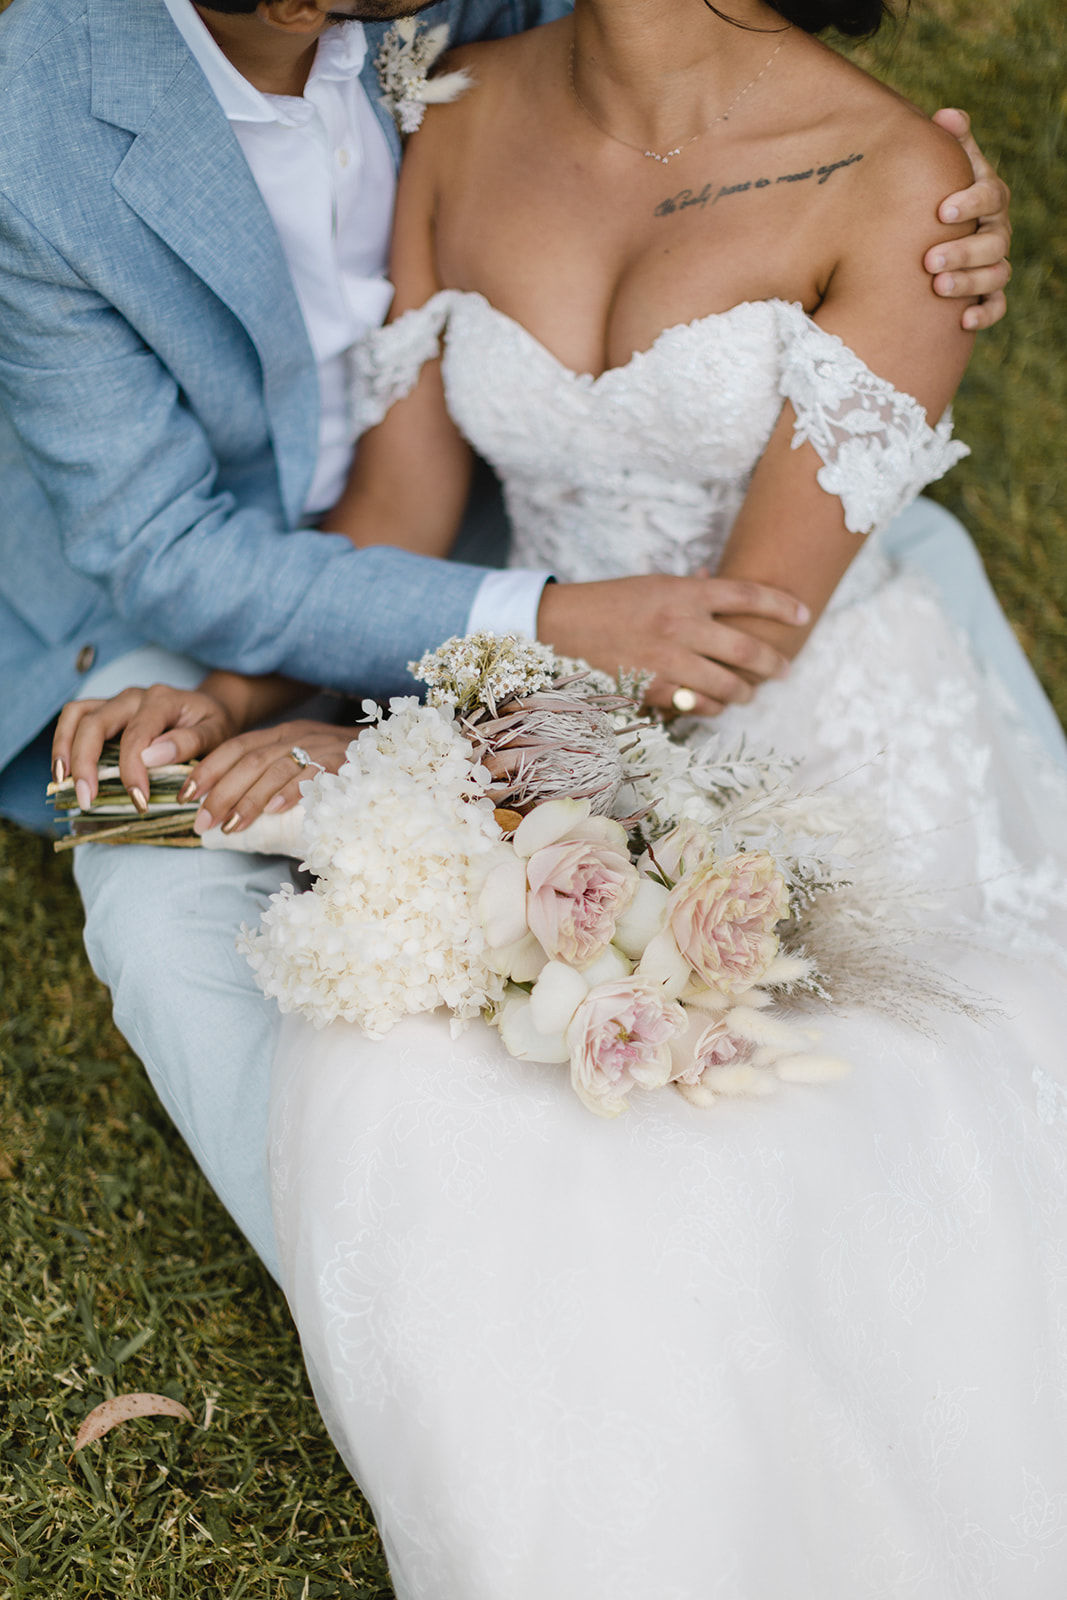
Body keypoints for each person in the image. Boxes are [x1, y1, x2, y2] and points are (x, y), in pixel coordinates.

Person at [52, 1, 1067, 1595]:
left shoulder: (894, 190)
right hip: (544, 653)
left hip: (784, 724)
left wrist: (401, 757)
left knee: (826, 1141)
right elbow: (397, 516)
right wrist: (241, 696)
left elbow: (747, 641)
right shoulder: (455, 104)